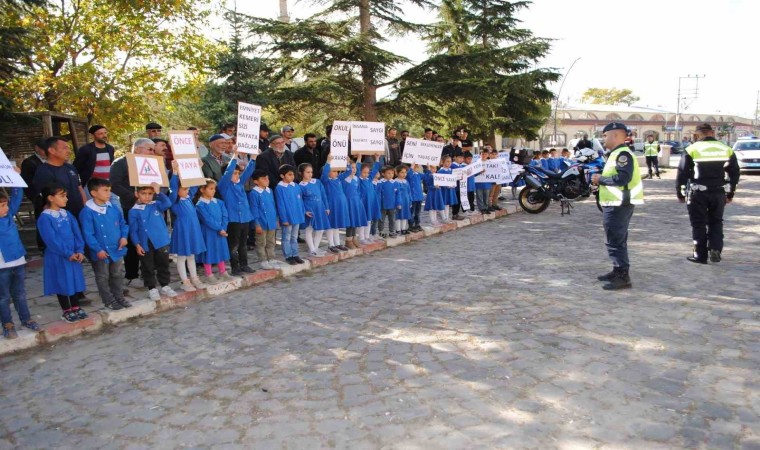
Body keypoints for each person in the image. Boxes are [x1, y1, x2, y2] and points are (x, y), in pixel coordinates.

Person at [676, 123, 740, 264]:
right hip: (719, 192)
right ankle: (715, 248)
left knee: (698, 223)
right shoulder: (726, 149)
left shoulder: (691, 149)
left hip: (698, 192)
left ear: (697, 134)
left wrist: (680, 193)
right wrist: (730, 194)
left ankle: (700, 255)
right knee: (716, 221)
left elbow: (682, 173)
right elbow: (734, 173)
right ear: (712, 133)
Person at [591, 122, 644, 290]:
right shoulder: (616, 154)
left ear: (615, 135)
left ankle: (622, 277)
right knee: (617, 239)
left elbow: (622, 178)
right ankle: (617, 270)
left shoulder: (622, 154)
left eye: (605, 136)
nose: (603, 139)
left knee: (614, 240)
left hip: (619, 204)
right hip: (616, 203)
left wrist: (600, 179)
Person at [37, 183, 88, 323]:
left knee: (74, 280)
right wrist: (67, 253)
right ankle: (66, 310)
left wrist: (79, 250)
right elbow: (51, 239)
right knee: (61, 282)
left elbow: (77, 232)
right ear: (51, 198)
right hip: (58, 256)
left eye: (66, 196)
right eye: (62, 196)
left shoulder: (67, 214)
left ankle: (76, 306)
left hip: (73, 254)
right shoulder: (45, 218)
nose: (66, 198)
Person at [78, 178, 131, 311]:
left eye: (110, 190)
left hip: (117, 248)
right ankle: (108, 300)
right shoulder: (87, 212)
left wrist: (124, 237)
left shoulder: (113, 208)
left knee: (117, 274)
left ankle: (119, 296)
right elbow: (88, 234)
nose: (109, 193)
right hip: (101, 251)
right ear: (94, 193)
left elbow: (123, 224)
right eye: (105, 190)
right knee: (103, 276)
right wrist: (97, 249)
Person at [110, 138, 155, 285]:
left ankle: (147, 272)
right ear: (137, 149)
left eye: (153, 150)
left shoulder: (151, 163)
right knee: (132, 241)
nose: (152, 152)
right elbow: (114, 184)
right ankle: (131, 275)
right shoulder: (120, 163)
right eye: (149, 149)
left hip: (147, 208)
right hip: (129, 207)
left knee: (146, 240)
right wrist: (134, 197)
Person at [0, 182, 40, 338]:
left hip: (18, 262)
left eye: (5, 204)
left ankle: (26, 319)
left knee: (20, 294)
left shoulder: (9, 217)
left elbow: (16, 198)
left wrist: (16, 182)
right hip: (2, 266)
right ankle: (8, 324)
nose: (6, 208)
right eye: (2, 206)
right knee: (3, 297)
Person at [128, 183, 179, 301]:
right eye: (143, 193)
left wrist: (158, 192)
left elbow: (168, 203)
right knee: (147, 266)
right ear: (136, 194)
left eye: (150, 194)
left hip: (161, 241)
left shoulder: (156, 205)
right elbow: (133, 230)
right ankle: (152, 288)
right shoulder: (133, 211)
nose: (147, 196)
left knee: (163, 264)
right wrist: (137, 244)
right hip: (145, 243)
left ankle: (165, 285)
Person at [168, 168, 207, 292]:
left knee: (191, 256)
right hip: (182, 231)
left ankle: (194, 278)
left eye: (187, 189)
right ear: (177, 190)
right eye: (184, 189)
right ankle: (184, 281)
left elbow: (195, 185)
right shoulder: (174, 200)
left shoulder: (188, 198)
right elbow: (173, 188)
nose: (187, 191)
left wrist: (198, 168)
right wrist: (175, 173)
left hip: (192, 230)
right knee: (182, 257)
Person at [218, 152, 256, 275]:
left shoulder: (239, 183)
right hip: (233, 219)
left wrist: (253, 158)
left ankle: (244, 264)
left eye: (238, 173)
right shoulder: (224, 186)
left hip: (245, 218)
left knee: (243, 244)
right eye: (234, 173)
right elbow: (228, 172)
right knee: (233, 245)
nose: (237, 175)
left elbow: (248, 172)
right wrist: (234, 156)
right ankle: (235, 267)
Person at [32, 137, 88, 218]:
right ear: (52, 150)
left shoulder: (71, 167)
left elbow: (79, 187)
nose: (69, 151)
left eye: (69, 148)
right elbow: (44, 198)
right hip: (61, 217)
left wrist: (85, 207)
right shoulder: (43, 171)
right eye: (65, 148)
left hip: (79, 213)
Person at [195, 178, 236, 283]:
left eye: (214, 188)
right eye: (211, 188)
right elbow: (207, 219)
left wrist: (223, 228)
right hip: (208, 232)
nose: (213, 191)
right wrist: (219, 228)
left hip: (221, 231)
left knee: (220, 250)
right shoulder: (200, 205)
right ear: (202, 189)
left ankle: (223, 272)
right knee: (209, 251)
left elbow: (225, 215)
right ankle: (209, 274)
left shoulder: (219, 202)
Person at [248, 170, 280, 269]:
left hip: (271, 221)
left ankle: (271, 258)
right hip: (261, 223)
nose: (266, 180)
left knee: (271, 241)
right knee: (261, 242)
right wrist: (257, 224)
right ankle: (263, 260)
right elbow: (254, 210)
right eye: (263, 178)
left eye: (267, 178)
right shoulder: (254, 193)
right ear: (256, 181)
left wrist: (276, 219)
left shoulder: (269, 191)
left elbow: (273, 206)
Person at [275, 165, 306, 265]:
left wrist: (302, 212)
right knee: (286, 237)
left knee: (294, 237)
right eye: (289, 174)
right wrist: (284, 219)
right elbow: (280, 205)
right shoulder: (279, 188)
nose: (292, 176)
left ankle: (295, 254)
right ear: (282, 176)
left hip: (297, 216)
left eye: (293, 174)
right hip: (288, 218)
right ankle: (288, 256)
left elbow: (300, 201)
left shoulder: (296, 186)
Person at [298, 163, 331, 256]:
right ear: (301, 173)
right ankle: (312, 250)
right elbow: (300, 201)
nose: (310, 174)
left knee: (320, 229)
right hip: (310, 210)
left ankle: (316, 248)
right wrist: (304, 211)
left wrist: (326, 207)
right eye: (307, 172)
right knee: (309, 229)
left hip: (320, 208)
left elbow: (323, 195)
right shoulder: (300, 186)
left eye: (311, 172)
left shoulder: (317, 182)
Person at [21, 138, 48, 250]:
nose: (46, 152)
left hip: (54, 196)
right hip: (40, 199)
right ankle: (43, 246)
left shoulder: (50, 160)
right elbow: (27, 183)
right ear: (37, 148)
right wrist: (37, 198)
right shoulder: (29, 162)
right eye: (43, 149)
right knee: (42, 222)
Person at [320, 157, 350, 252]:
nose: (336, 173)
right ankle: (331, 244)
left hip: (339, 205)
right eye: (333, 171)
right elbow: (324, 174)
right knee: (330, 225)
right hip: (331, 205)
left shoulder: (338, 179)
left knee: (336, 225)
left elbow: (348, 172)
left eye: (337, 171)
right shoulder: (326, 181)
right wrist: (328, 161)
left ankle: (337, 243)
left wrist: (348, 163)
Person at [357, 161, 382, 242]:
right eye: (364, 172)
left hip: (370, 202)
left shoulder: (369, 179)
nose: (366, 174)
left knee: (369, 220)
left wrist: (377, 159)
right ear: (360, 172)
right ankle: (361, 238)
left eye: (367, 173)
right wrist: (359, 159)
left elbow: (375, 169)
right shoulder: (358, 180)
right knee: (362, 220)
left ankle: (367, 236)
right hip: (363, 203)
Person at [376, 165, 400, 237]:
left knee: (392, 219)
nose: (391, 175)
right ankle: (381, 231)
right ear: (383, 174)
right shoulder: (380, 182)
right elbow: (378, 193)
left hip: (392, 204)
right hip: (382, 204)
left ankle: (391, 231)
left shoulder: (395, 183)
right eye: (388, 173)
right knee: (381, 219)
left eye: (392, 173)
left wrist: (398, 202)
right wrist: (378, 203)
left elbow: (398, 194)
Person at [406, 163, 425, 232]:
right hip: (412, 197)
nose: (416, 168)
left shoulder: (418, 174)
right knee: (411, 212)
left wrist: (428, 168)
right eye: (414, 166)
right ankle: (411, 225)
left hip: (419, 197)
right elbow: (409, 175)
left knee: (417, 212)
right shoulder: (409, 174)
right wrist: (411, 167)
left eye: (417, 166)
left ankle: (417, 224)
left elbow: (426, 176)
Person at [394, 165, 412, 234]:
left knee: (405, 215)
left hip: (406, 201)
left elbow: (409, 192)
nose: (404, 174)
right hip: (399, 201)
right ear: (397, 173)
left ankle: (403, 229)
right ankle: (398, 230)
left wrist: (410, 201)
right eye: (402, 172)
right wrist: (398, 203)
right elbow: (395, 193)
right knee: (398, 216)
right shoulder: (395, 182)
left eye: (405, 172)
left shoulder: (406, 181)